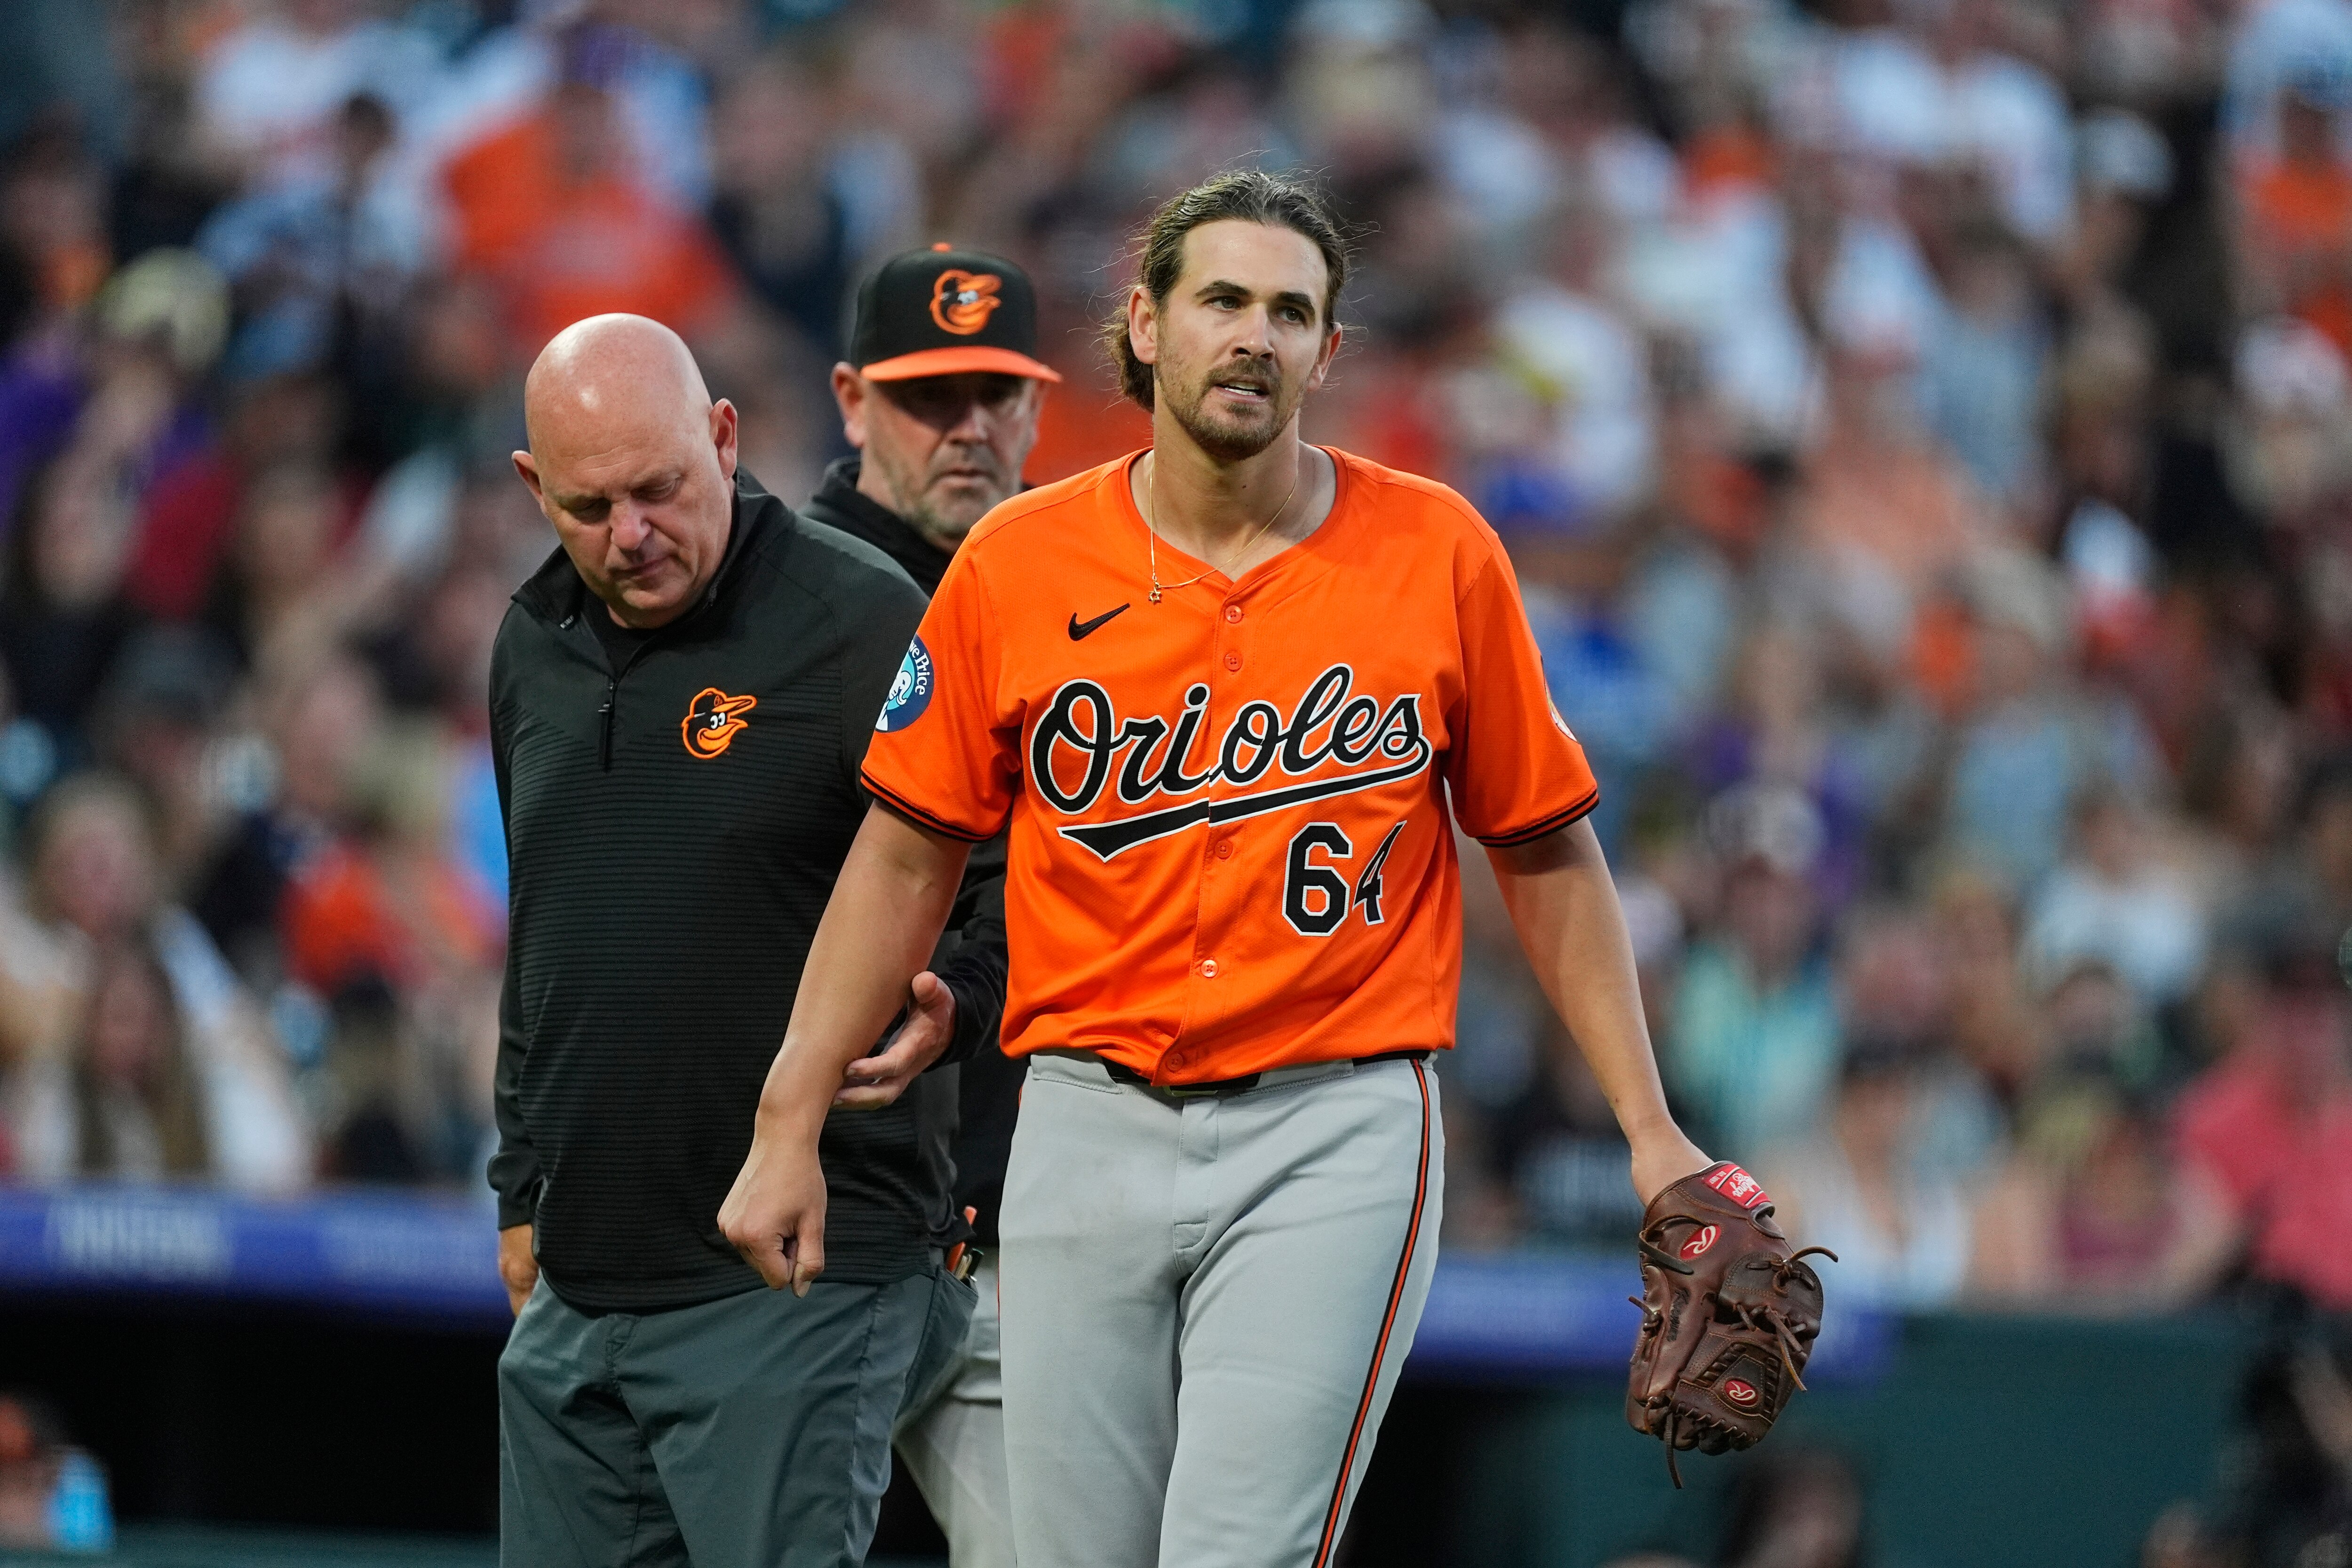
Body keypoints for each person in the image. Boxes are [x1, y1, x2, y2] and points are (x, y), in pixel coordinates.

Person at [719, 171, 1709, 1567]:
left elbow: (1543, 848)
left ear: (1329, 353)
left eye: (1292, 311)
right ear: (1147, 325)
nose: (1256, 335)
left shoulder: (1437, 551)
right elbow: (902, 858)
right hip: (1079, 1117)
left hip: (1335, 1123)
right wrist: (787, 1121)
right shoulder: (1017, 558)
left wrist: (1649, 1126)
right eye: (1225, 301)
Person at [488, 314, 1000, 1568]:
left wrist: (959, 1004)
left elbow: (999, 878)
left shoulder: (861, 618)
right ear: (531, 486)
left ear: (725, 437)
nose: (631, 535)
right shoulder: (528, 642)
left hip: (800, 1275)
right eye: (588, 505)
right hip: (583, 1280)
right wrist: (519, 1181)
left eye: (659, 489)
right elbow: (544, 926)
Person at [799, 244, 1056, 1568]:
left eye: (995, 397)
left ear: (1037, 411)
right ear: (853, 401)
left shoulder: (1075, 594)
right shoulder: (782, 604)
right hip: (812, 1223)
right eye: (928, 397)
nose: (968, 431)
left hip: (1006, 1225)